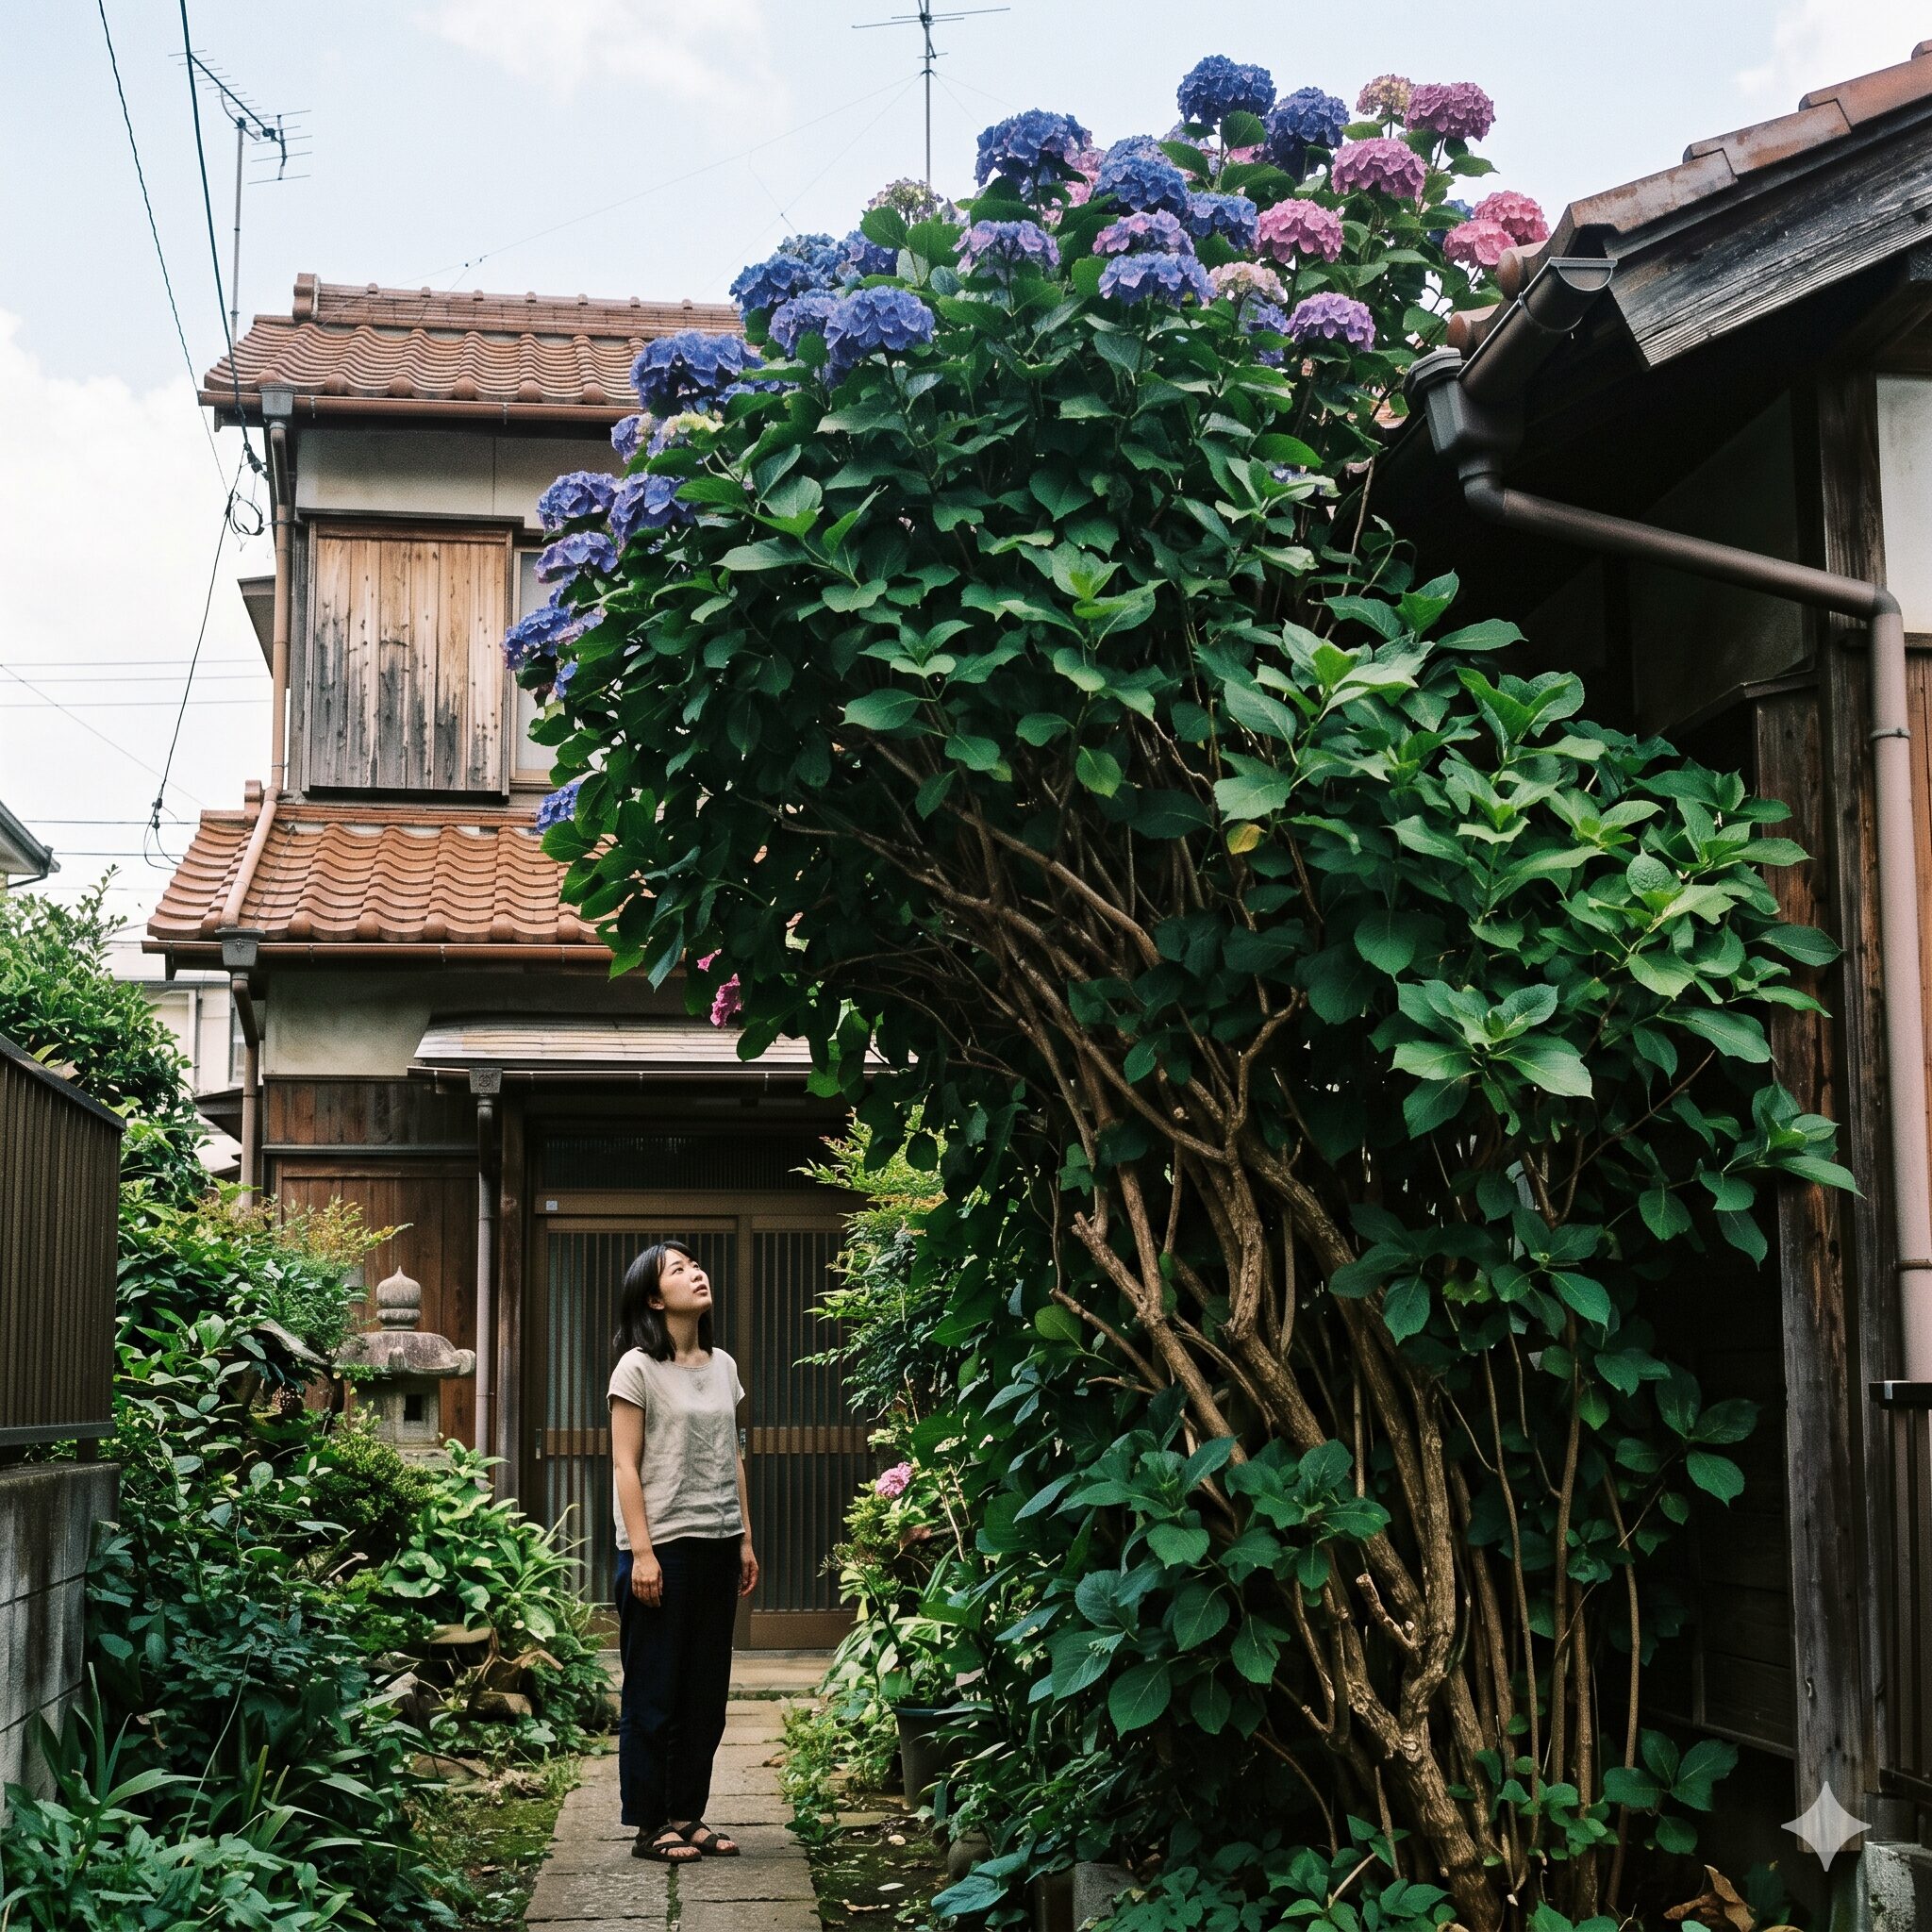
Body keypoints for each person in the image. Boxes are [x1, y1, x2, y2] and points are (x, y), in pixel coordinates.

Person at [608, 1239, 759, 1863]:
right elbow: (624, 1464)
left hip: (718, 1544)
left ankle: (685, 1815)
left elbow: (733, 1457)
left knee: (704, 1694)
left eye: (696, 1265)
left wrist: (745, 1538)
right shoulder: (636, 1368)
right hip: (661, 1549)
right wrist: (642, 1553)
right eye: (679, 1269)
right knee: (654, 1693)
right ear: (653, 1298)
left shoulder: (723, 1365)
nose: (697, 1274)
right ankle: (650, 1825)